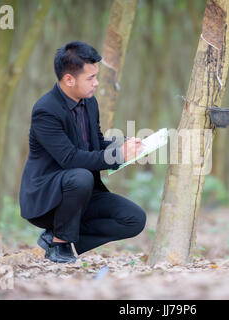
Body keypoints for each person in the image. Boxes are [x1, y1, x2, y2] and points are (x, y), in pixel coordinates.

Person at [19, 41, 146, 263]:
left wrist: (125, 146)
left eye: (96, 77)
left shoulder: (90, 103)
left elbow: (95, 144)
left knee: (134, 219)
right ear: (69, 79)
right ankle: (60, 244)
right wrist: (118, 156)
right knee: (80, 175)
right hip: (48, 199)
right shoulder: (45, 110)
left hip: (82, 193)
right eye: (90, 78)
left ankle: (57, 238)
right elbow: (70, 159)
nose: (96, 83)